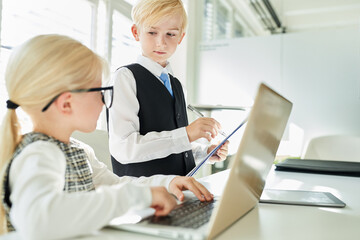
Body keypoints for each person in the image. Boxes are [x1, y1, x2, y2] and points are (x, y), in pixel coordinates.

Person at [0, 34, 213, 239]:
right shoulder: (39, 153)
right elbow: (38, 220)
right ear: (66, 104)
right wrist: (137, 197)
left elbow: (116, 185)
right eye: (100, 92)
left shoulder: (79, 150)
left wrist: (167, 183)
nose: (104, 102)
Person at [107, 0, 229, 177]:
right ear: (136, 32)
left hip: (179, 192)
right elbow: (124, 148)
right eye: (152, 32)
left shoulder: (177, 86)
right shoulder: (126, 77)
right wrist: (186, 134)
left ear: (180, 37)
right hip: (144, 196)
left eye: (170, 34)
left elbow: (173, 146)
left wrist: (205, 152)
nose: (161, 43)